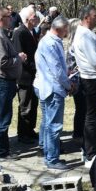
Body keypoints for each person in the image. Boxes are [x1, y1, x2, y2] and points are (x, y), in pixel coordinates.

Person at [34, 16, 75, 170]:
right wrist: (68, 85)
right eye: (66, 30)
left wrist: (66, 72)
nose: (67, 32)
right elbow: (56, 70)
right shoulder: (50, 43)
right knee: (54, 126)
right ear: (59, 29)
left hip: (46, 86)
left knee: (47, 123)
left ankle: (48, 153)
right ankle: (52, 159)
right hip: (51, 88)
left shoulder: (49, 41)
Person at [71, 5, 96, 161]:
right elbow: (94, 60)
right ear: (86, 18)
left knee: (91, 115)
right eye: (95, 15)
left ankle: (88, 148)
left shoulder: (86, 33)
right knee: (91, 117)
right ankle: (90, 153)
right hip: (92, 79)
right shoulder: (84, 35)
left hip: (93, 78)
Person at [0, 6, 24, 159]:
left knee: (4, 118)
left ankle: (3, 150)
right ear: (1, 19)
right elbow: (2, 62)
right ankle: (1, 153)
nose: (12, 19)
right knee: (3, 119)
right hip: (0, 82)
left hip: (5, 82)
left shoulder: (1, 33)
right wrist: (18, 59)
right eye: (9, 16)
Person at [13, 6, 40, 144]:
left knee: (33, 104)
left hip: (34, 75)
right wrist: (33, 67)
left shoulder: (32, 31)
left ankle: (30, 129)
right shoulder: (20, 33)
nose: (37, 18)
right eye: (34, 16)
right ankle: (23, 133)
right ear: (27, 19)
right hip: (25, 75)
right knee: (25, 105)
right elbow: (20, 55)